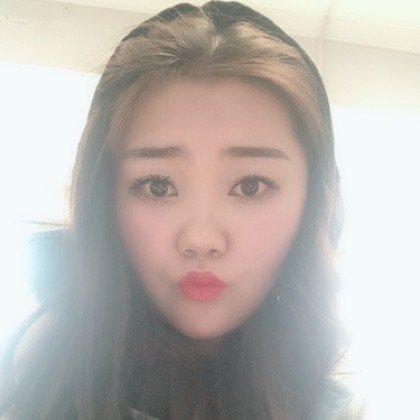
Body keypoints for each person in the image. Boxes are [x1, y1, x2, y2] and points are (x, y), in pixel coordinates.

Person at [0, 1, 364, 419]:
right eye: (158, 185)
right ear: (104, 200)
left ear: (314, 206)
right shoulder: (23, 392)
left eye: (250, 185)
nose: (201, 239)